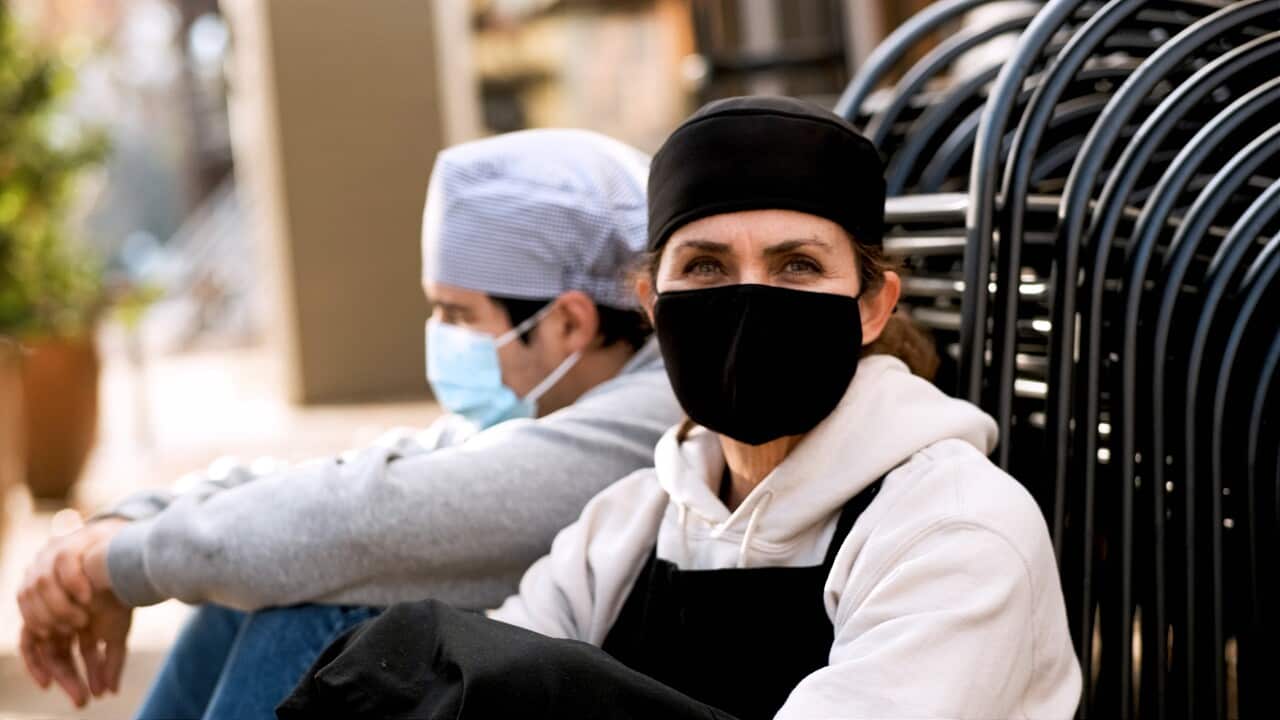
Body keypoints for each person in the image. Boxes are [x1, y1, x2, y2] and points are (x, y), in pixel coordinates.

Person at [284, 96, 1083, 719]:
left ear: (872, 307)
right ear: (653, 306)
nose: (748, 302)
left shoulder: (952, 530)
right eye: (705, 266)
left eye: (797, 266)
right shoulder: (626, 527)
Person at [15, 128, 684, 719]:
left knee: (324, 613)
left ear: (568, 323)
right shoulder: (552, 406)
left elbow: (368, 521)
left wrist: (122, 565)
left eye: (457, 315)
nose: (438, 337)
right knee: (245, 590)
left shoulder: (660, 413)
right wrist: (124, 526)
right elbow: (333, 481)